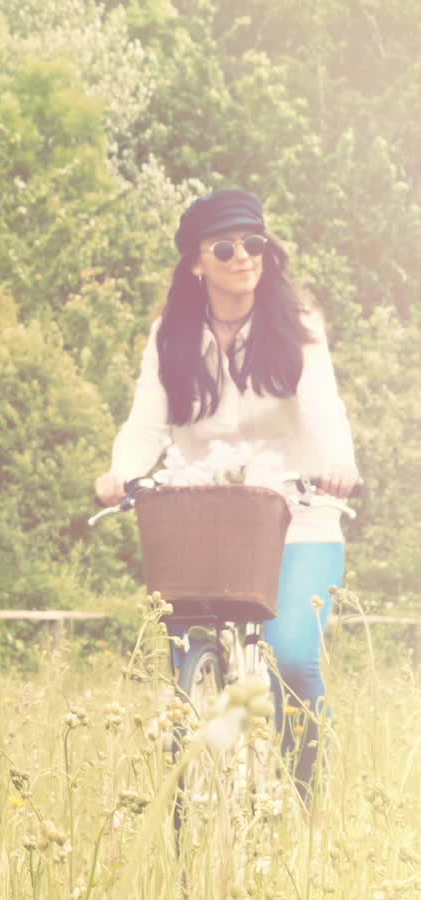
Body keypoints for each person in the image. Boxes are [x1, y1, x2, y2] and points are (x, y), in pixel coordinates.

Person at [94, 188, 359, 795]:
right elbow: (145, 424)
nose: (244, 256)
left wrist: (337, 463)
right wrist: (120, 473)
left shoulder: (297, 328)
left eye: (254, 244)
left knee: (292, 654)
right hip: (203, 520)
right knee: (184, 644)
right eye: (225, 246)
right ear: (196, 262)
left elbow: (324, 411)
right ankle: (197, 763)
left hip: (298, 517)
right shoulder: (171, 336)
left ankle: (308, 799)